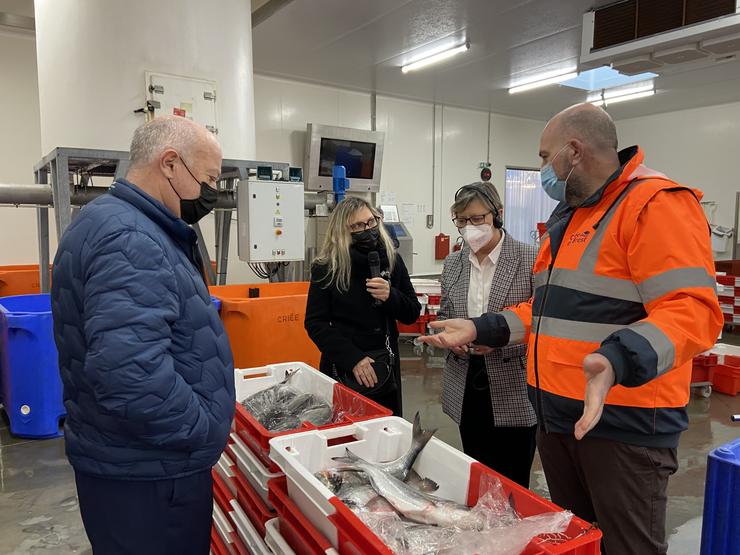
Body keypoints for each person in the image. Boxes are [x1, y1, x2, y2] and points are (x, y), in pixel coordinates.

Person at [419, 103, 722, 554]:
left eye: (544, 157)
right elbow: (541, 313)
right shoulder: (570, 218)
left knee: (626, 546)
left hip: (623, 424)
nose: (542, 168)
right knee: (576, 542)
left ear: (573, 151)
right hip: (558, 420)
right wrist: (481, 328)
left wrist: (619, 356)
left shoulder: (653, 203)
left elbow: (693, 310)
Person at [51, 116, 235, 555]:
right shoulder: (130, 238)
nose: (211, 193)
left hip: (131, 464)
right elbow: (126, 374)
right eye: (208, 179)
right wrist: (202, 426)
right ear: (170, 163)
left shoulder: (112, 220)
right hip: (151, 477)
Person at [438, 182, 538, 488]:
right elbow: (444, 315)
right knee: (477, 470)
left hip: (513, 383)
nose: (470, 228)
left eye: (477, 218)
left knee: (512, 478)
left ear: (497, 214)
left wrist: (497, 340)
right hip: (467, 380)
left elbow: (541, 319)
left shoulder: (530, 258)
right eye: (462, 220)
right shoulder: (454, 263)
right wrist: (453, 342)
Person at [305, 197, 421, 415]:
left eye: (371, 222)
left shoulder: (392, 260)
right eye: (358, 226)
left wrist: (390, 296)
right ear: (343, 232)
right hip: (343, 364)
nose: (367, 229)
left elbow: (412, 313)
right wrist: (353, 359)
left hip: (385, 363)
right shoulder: (327, 268)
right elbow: (315, 323)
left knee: (386, 429)